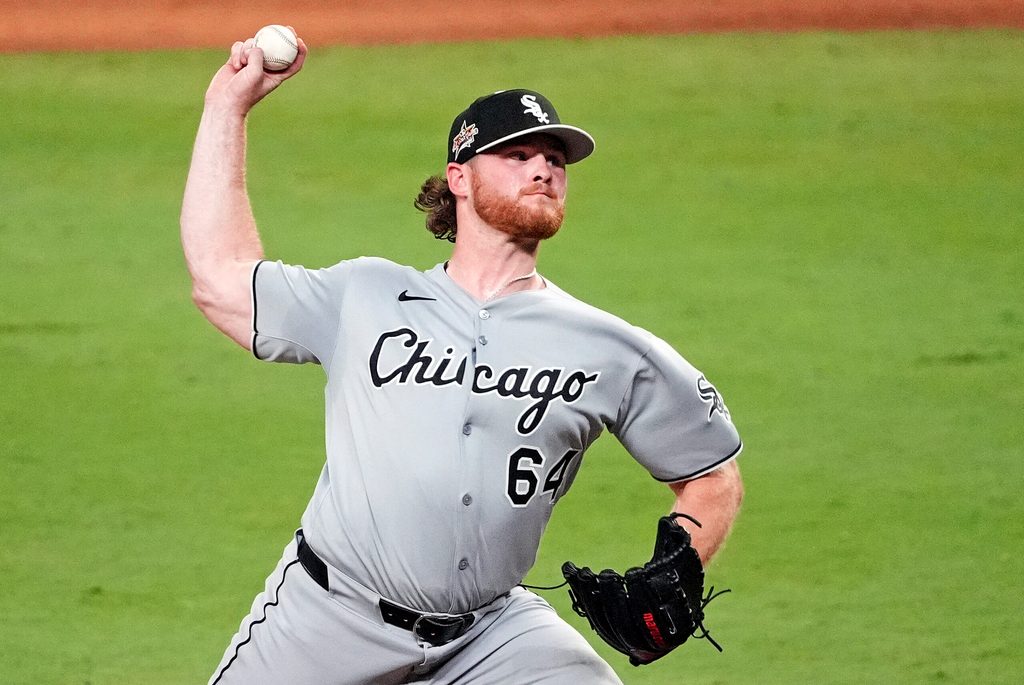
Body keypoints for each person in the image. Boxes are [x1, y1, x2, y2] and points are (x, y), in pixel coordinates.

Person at [181, 31, 744, 685]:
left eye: (555, 159)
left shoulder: (608, 347)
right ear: (460, 179)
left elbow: (713, 471)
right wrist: (227, 107)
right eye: (518, 155)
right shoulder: (365, 295)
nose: (544, 169)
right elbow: (221, 279)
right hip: (328, 620)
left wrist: (682, 562)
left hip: (491, 635)